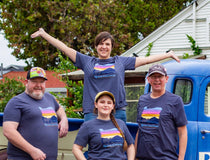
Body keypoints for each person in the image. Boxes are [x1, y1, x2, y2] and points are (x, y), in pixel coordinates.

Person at [31, 28, 180, 122]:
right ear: (96, 47)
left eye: (107, 44)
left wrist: (168, 54)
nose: (104, 47)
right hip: (93, 112)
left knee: (118, 147)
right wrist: (44, 34)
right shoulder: (86, 61)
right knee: (96, 148)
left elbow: (145, 60)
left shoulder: (120, 62)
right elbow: (64, 48)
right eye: (101, 44)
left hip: (117, 111)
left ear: (111, 47)